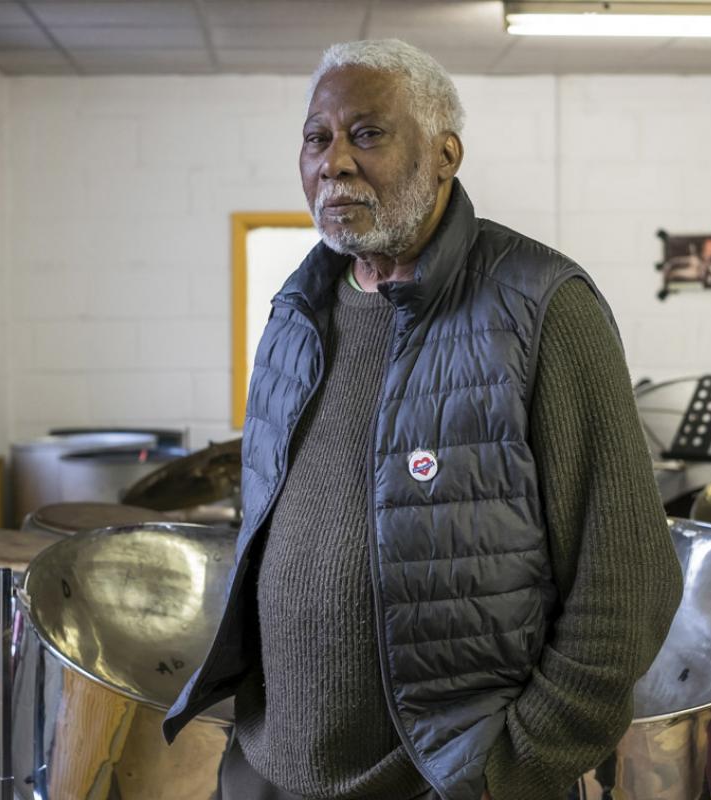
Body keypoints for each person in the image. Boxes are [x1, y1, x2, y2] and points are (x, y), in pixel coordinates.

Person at [163, 39, 683, 800]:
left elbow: (628, 582)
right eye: (318, 138)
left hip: (445, 782)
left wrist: (513, 770)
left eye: (367, 133)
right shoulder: (293, 314)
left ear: (445, 155)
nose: (334, 160)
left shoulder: (541, 305)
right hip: (266, 770)